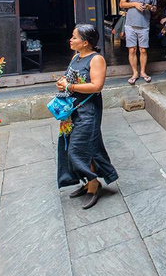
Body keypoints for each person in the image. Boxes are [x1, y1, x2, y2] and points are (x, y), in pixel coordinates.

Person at [55, 24, 118, 209]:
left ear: (85, 42)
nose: (71, 40)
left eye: (75, 37)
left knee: (78, 148)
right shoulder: (76, 57)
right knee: (78, 147)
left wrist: (69, 87)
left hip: (88, 110)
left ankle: (94, 184)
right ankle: (88, 182)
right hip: (71, 110)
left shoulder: (96, 59)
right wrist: (63, 83)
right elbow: (71, 79)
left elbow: (97, 86)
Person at [119, 0, 157, 84]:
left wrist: (150, 7)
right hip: (130, 25)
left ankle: (143, 72)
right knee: (132, 50)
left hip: (144, 25)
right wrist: (134, 4)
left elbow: (155, 9)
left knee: (143, 50)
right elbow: (122, 4)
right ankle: (135, 73)